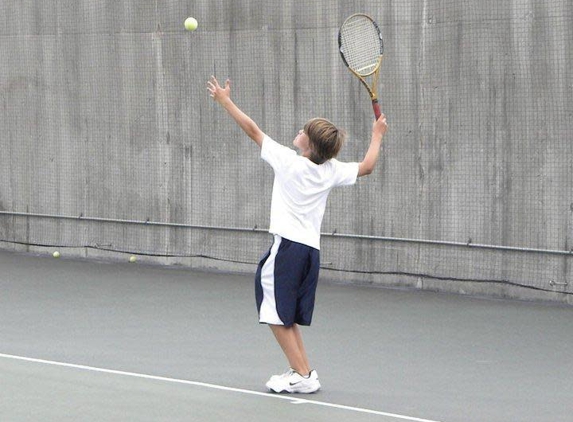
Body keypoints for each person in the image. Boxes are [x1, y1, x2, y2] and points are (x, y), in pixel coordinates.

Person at [207, 76, 387, 393]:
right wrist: (377, 135)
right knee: (285, 313)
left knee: (273, 313)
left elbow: (252, 130)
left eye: (304, 132)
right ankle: (303, 372)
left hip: (287, 250)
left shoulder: (289, 162)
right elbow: (368, 166)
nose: (299, 132)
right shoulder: (332, 170)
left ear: (311, 146)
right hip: (310, 254)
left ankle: (301, 376)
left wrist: (225, 102)